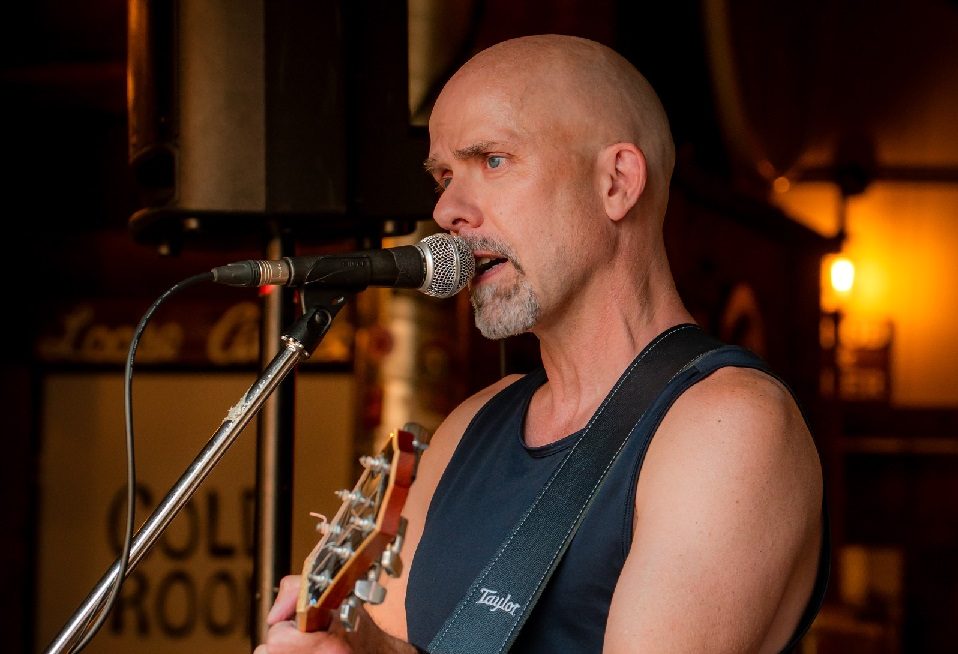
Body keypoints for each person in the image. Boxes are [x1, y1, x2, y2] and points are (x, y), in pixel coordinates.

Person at [256, 33, 827, 654]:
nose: (447, 209)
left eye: (493, 161)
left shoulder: (729, 424)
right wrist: (357, 646)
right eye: (444, 176)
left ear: (616, 182)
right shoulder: (468, 427)